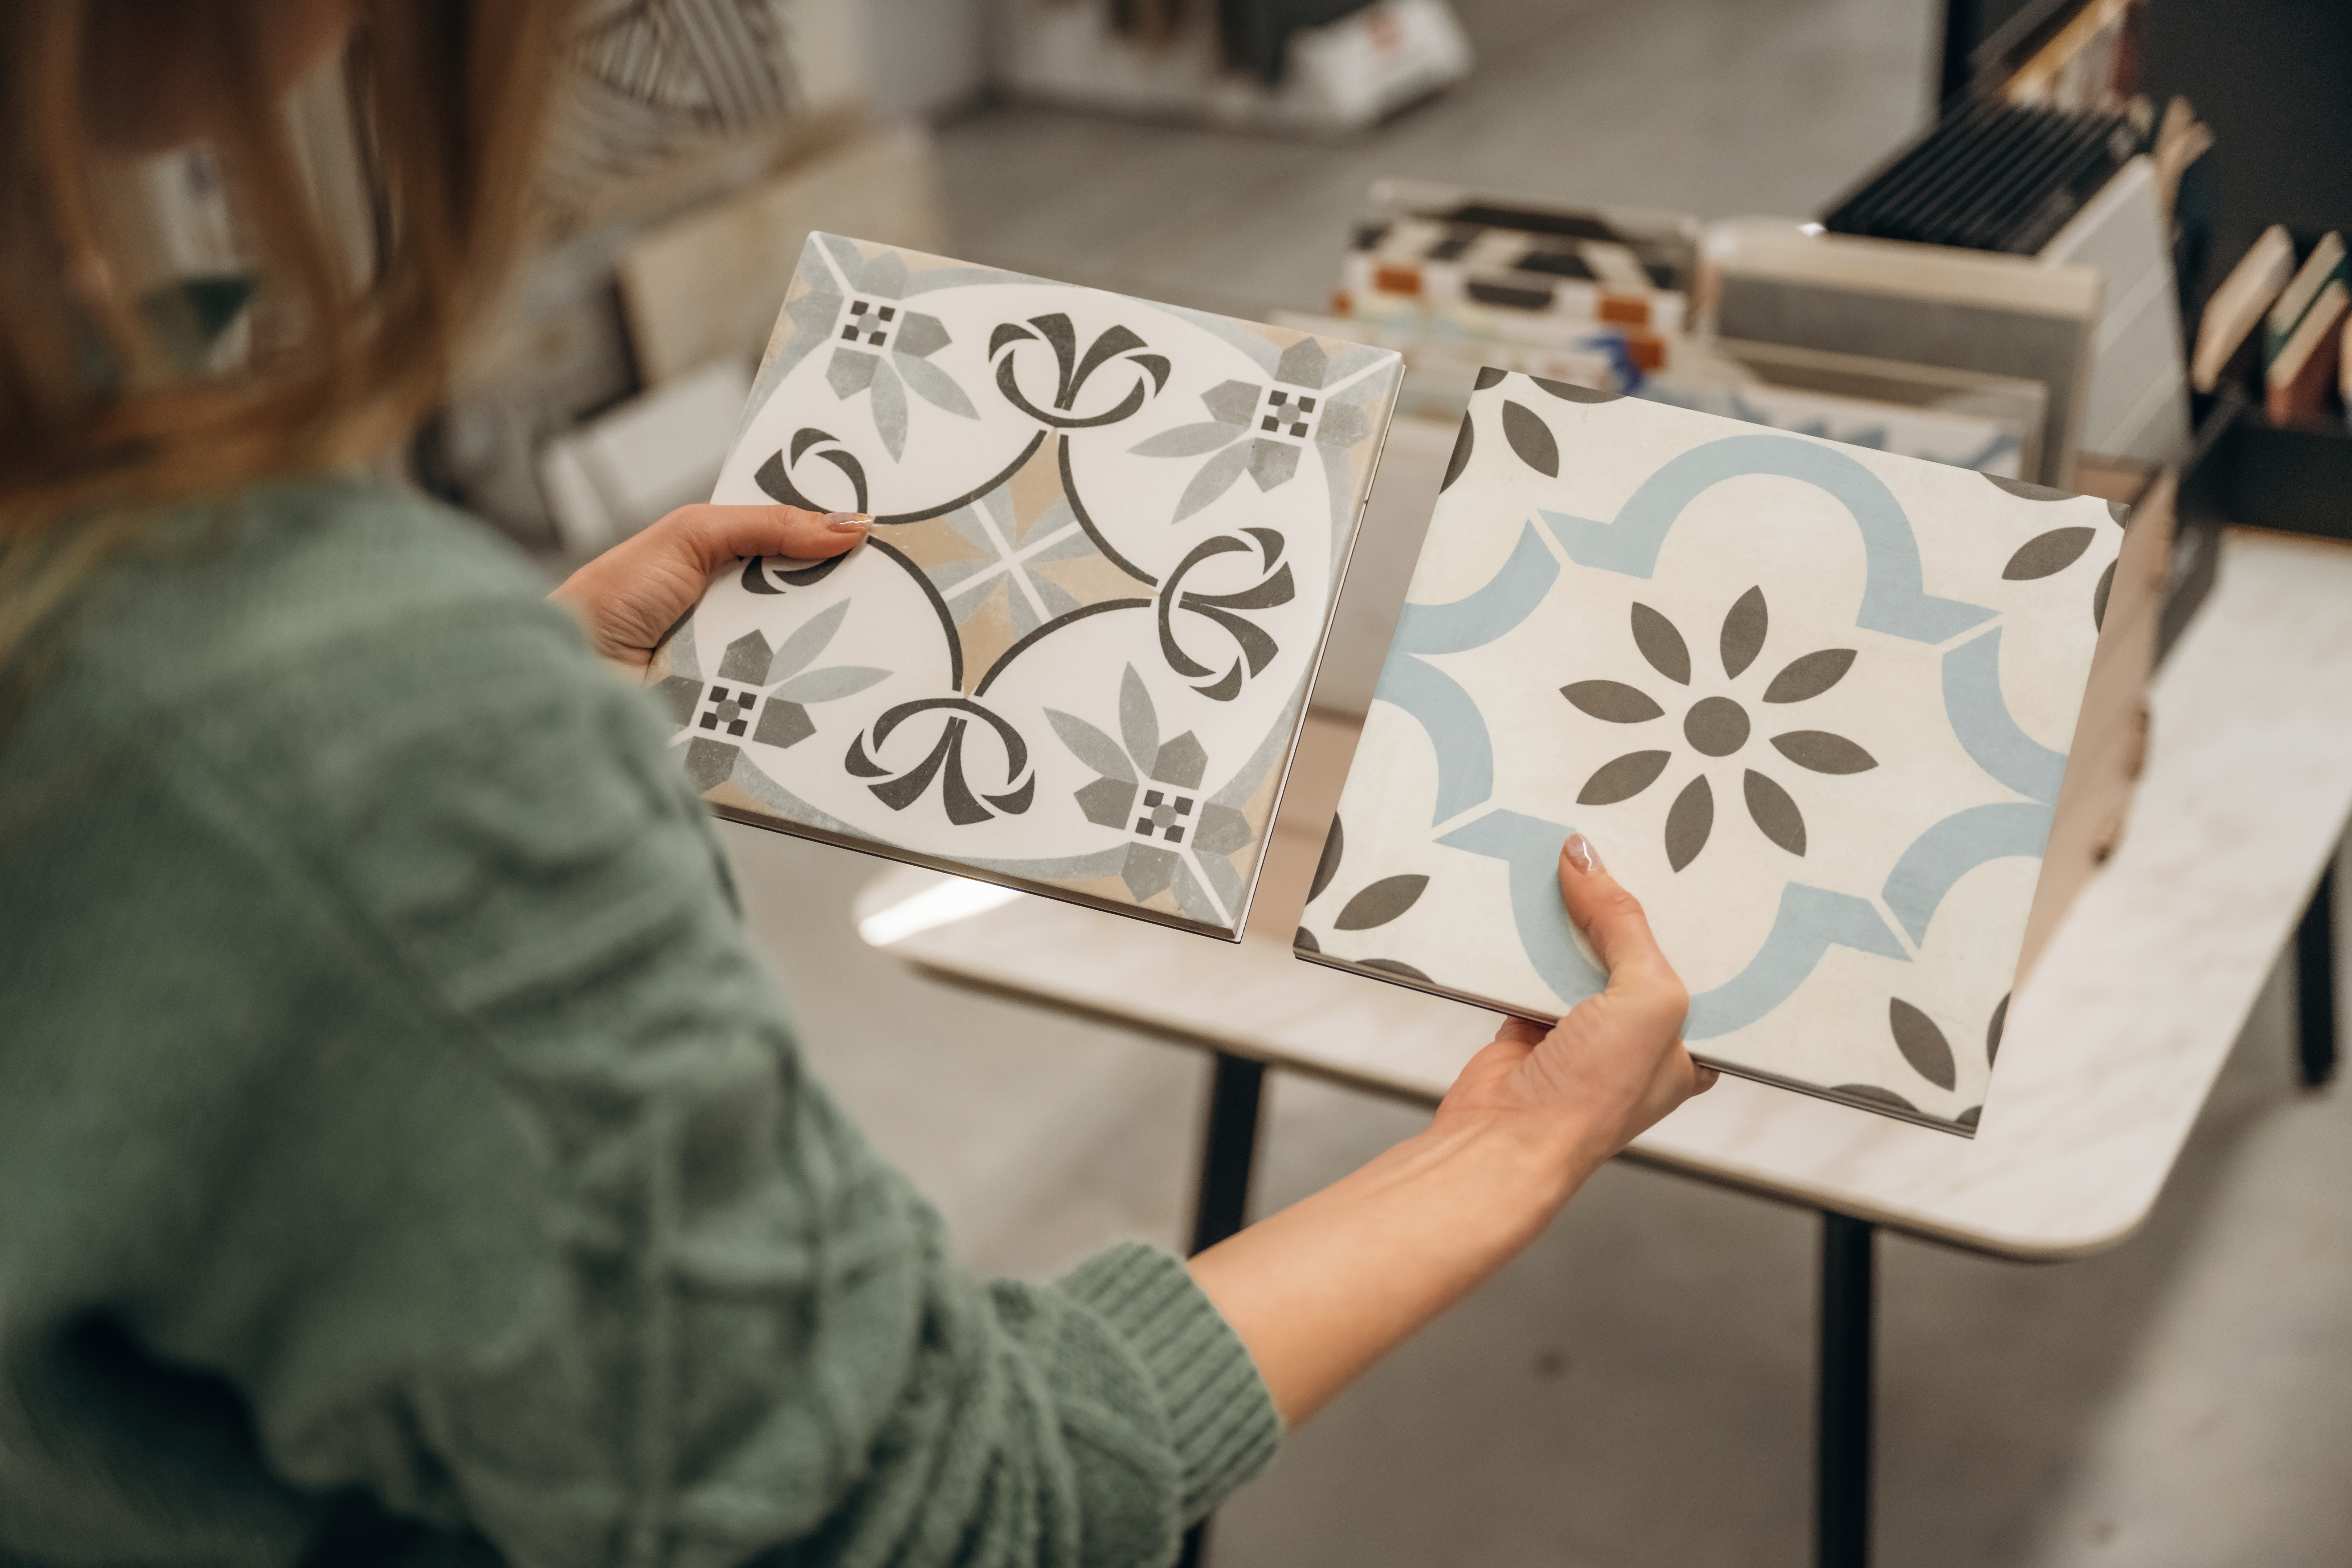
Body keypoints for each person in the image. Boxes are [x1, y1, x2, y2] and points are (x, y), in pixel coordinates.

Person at [0, 3, 1715, 1564]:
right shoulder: (306, 703)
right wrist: (1510, 1147)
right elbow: (922, 1514)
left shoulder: (198, 656)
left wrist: (443, 717)